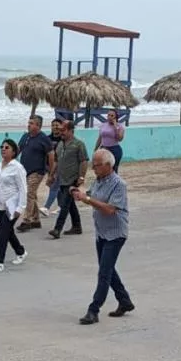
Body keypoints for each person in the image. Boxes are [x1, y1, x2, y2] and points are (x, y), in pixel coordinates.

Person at [73, 148, 134, 325]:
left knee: (104, 273)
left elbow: (109, 209)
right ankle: (124, 301)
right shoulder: (99, 181)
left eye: (97, 165)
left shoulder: (118, 184)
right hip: (102, 233)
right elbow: (92, 195)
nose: (94, 169)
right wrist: (79, 194)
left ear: (109, 165)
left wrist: (87, 200)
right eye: (93, 165)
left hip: (115, 233)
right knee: (108, 269)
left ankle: (93, 310)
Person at [0, 138, 29, 273]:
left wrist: (20, 208)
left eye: (7, 147)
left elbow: (23, 189)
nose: (3, 149)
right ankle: (21, 251)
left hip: (11, 206)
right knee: (8, 232)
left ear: (13, 151)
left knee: (2, 233)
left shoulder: (17, 168)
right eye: (2, 147)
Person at [48, 120, 89, 239]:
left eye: (63, 130)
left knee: (64, 204)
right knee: (69, 204)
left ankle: (57, 229)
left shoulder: (79, 144)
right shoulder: (60, 144)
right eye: (60, 130)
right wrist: (51, 175)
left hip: (73, 179)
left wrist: (81, 177)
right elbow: (56, 161)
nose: (60, 132)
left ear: (71, 131)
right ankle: (77, 226)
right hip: (62, 179)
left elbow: (84, 161)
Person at [16, 114, 55, 232]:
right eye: (28, 123)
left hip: (37, 171)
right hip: (25, 170)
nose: (28, 125)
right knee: (32, 195)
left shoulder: (44, 139)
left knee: (29, 193)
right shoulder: (25, 136)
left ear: (38, 125)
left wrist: (51, 173)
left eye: (31, 123)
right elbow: (18, 149)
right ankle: (36, 219)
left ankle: (26, 220)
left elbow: (51, 155)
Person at [41, 118, 65, 217]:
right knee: (57, 187)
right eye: (53, 125)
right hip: (48, 166)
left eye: (57, 125)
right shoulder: (47, 139)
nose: (55, 127)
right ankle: (61, 207)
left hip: (59, 166)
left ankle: (46, 207)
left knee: (54, 185)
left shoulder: (64, 139)